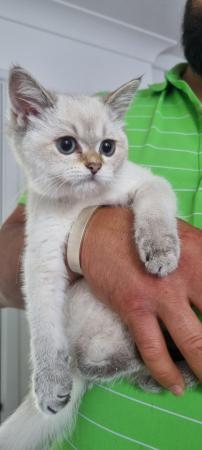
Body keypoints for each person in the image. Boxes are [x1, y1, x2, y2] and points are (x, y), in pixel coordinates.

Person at [1, 0, 202, 448]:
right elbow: (31, 273)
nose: (94, 163)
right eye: (69, 145)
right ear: (24, 119)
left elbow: (152, 189)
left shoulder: (112, 159)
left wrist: (153, 227)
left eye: (107, 148)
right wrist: (87, 239)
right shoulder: (50, 189)